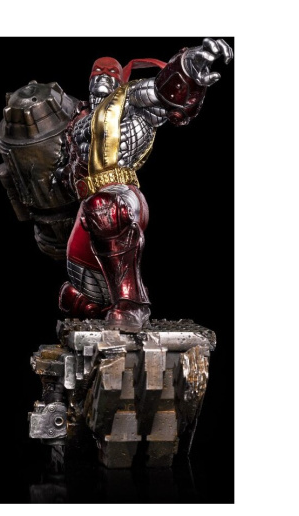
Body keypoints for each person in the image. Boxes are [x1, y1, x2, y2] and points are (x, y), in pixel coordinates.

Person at [58, 38, 233, 331]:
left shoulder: (130, 100)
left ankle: (132, 305)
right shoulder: (77, 122)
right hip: (86, 203)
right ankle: (106, 305)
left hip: (122, 193)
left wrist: (189, 66)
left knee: (105, 210)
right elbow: (63, 173)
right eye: (97, 73)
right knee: (79, 292)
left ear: (119, 79)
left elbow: (161, 92)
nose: (102, 78)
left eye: (109, 73)